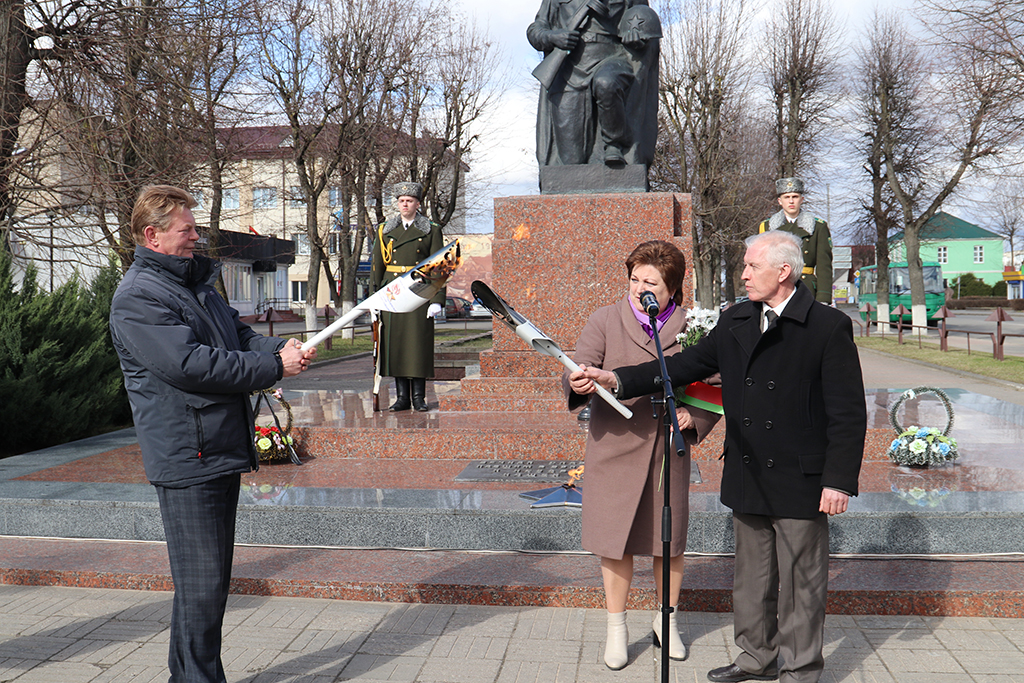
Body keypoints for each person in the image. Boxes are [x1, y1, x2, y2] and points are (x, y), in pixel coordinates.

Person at [573, 231, 866, 683]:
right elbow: (681, 368)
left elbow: (848, 411)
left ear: (783, 272)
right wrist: (615, 378)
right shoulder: (736, 320)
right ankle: (756, 658)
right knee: (752, 580)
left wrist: (839, 480)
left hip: (801, 478)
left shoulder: (828, 326)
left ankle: (801, 670)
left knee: (801, 585)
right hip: (748, 471)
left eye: (752, 267)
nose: (743, 274)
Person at [109, 185, 315, 683]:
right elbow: (192, 365)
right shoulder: (138, 296)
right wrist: (272, 367)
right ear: (152, 235)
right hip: (187, 455)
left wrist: (278, 347)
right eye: (187, 230)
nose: (196, 237)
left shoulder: (193, 285)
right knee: (201, 585)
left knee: (207, 584)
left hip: (215, 448)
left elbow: (235, 335)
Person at [564, 240, 720, 670]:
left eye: (650, 281)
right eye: (634, 278)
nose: (639, 288)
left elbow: (715, 379)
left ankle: (665, 623)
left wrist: (695, 416)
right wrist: (578, 381)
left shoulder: (695, 326)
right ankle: (616, 628)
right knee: (614, 543)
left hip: (666, 448)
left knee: (666, 544)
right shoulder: (604, 319)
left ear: (672, 287)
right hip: (613, 443)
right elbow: (580, 364)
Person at [527, 0, 661, 167]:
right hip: (569, 71)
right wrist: (553, 37)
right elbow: (536, 29)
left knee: (606, 83)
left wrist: (638, 39)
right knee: (571, 161)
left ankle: (615, 144)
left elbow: (645, 22)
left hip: (612, 58)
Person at [371, 182, 445, 412]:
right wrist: (374, 299)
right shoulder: (385, 229)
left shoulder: (431, 229)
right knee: (397, 344)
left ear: (418, 204)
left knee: (417, 345)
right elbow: (377, 266)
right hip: (392, 293)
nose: (405, 204)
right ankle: (402, 397)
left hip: (419, 291)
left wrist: (436, 300)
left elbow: (439, 267)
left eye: (410, 200)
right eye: (402, 200)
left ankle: (419, 397)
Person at [758, 177, 833, 304]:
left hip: (806, 287)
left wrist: (823, 298)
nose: (791, 201)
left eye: (795, 196)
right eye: (786, 197)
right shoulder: (767, 227)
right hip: (777, 287)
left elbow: (824, 266)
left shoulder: (818, 227)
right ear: (779, 201)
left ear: (801, 200)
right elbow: (762, 263)